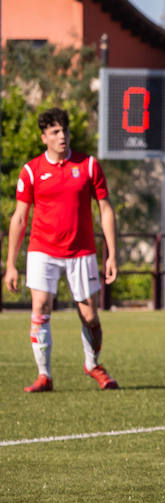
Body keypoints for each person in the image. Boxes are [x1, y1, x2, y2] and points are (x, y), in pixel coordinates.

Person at [5, 107, 119, 392]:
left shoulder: (89, 165)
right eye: (55, 132)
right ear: (44, 137)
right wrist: (10, 264)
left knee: (90, 316)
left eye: (65, 130)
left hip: (81, 251)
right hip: (42, 249)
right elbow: (20, 218)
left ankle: (92, 364)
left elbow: (105, 210)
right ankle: (44, 375)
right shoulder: (32, 170)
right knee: (40, 308)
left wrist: (112, 253)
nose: (62, 136)